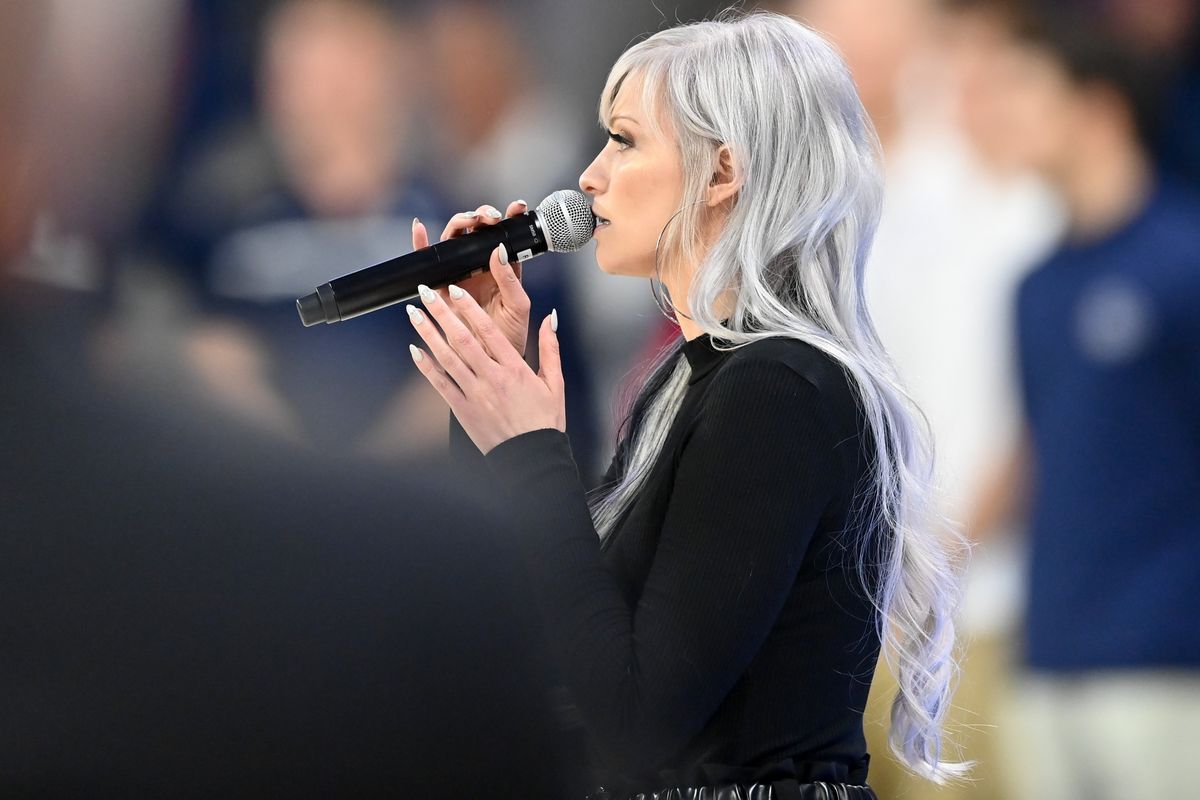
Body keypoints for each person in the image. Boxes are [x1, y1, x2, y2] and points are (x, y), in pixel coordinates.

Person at [402, 10, 969, 799]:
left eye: (625, 140)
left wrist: (534, 453)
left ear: (724, 172)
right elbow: (558, 637)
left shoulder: (778, 393)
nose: (588, 177)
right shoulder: (699, 377)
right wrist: (491, 397)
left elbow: (636, 722)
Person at [954, 3, 1200, 798]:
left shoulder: (1182, 262)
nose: (1003, 113)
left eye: (1026, 89)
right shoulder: (1034, 286)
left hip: (1165, 660)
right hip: (1049, 653)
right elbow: (1039, 446)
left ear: (1098, 108)